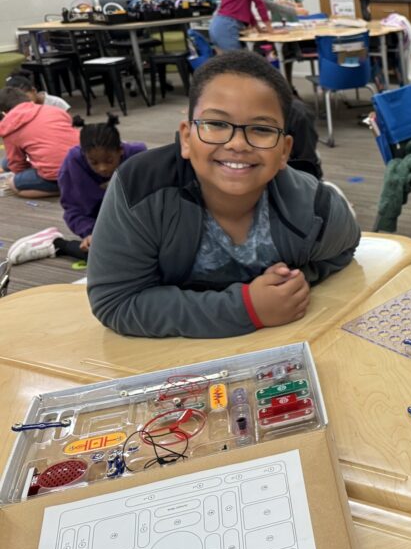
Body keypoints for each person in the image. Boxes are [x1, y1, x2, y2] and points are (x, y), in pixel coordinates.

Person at [87, 51, 361, 339]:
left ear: (284, 151)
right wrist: (246, 307)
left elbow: (345, 246)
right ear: (186, 138)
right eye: (216, 124)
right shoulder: (140, 190)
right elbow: (115, 302)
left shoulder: (314, 206)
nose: (238, 144)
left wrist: (293, 285)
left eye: (261, 129)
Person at [57, 114, 146, 254]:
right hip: (98, 223)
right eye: (94, 163)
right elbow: (73, 209)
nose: (102, 168)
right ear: (84, 155)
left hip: (133, 219)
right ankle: (59, 244)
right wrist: (90, 233)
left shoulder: (137, 156)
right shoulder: (73, 163)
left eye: (109, 161)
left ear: (120, 150)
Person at [0, 85, 78, 198]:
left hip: (57, 176)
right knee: (5, 163)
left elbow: (17, 166)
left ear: (4, 112)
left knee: (14, 184)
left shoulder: (8, 126)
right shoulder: (53, 110)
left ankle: (64, 190)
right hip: (84, 164)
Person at [5, 72, 72, 112]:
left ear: (33, 90)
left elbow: (69, 122)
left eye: (26, 97)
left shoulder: (55, 102)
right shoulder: (21, 109)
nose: (23, 101)